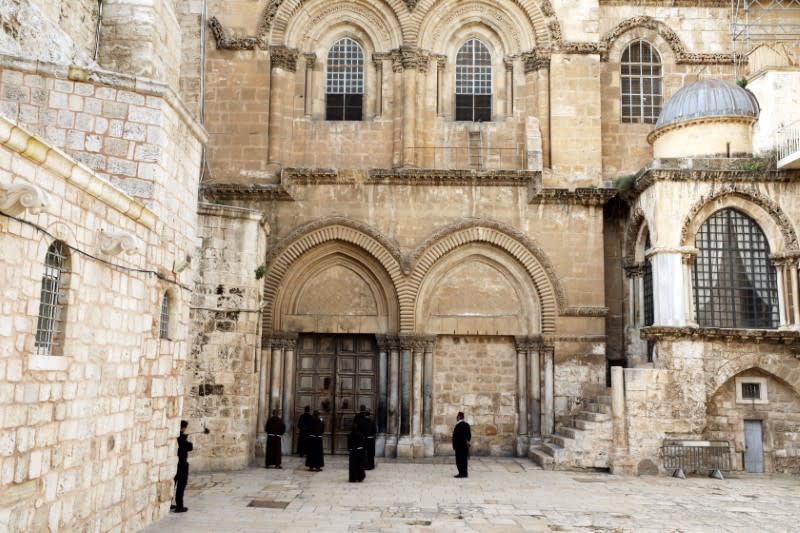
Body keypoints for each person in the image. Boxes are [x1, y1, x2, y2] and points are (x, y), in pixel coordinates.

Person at [172, 420, 193, 512]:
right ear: (183, 428)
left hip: (174, 464)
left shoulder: (174, 437)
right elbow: (189, 447)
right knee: (181, 485)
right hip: (182, 465)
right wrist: (184, 438)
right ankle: (179, 506)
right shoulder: (181, 439)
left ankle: (168, 503)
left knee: (173, 484)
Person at [452, 411, 471, 478]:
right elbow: (469, 436)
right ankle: (465, 473)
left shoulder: (457, 426)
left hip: (459, 446)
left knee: (459, 460)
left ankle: (461, 473)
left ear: (459, 417)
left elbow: (454, 437)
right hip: (465, 447)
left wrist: (454, 446)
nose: (456, 418)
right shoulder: (467, 425)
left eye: (457, 417)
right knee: (464, 460)